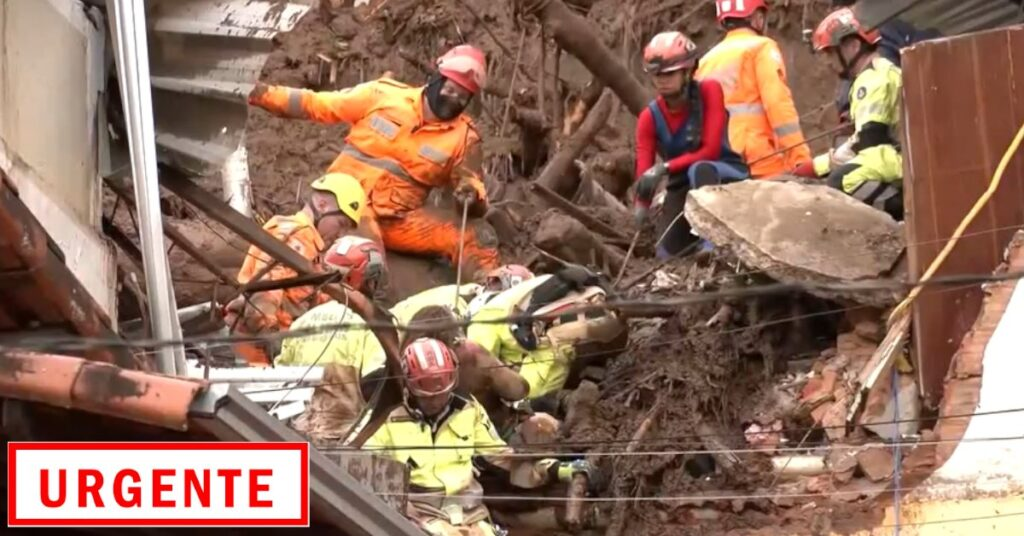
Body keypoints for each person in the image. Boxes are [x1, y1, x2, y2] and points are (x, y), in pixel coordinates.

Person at [247, 44, 500, 280]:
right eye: (451, 89)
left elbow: (470, 181)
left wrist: (470, 194)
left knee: (477, 235)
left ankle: (489, 299)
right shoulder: (383, 95)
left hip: (400, 221)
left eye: (463, 96)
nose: (453, 98)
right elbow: (316, 104)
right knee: (367, 255)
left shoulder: (464, 137)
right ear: (436, 78)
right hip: (346, 205)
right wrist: (258, 93)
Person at [364, 337, 598, 536]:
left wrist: (557, 469)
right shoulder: (387, 421)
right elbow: (368, 478)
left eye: (443, 392)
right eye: (427, 395)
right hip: (422, 522)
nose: (436, 400)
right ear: (410, 385)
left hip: (472, 518)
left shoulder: (468, 410)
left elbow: (502, 459)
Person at [223, 172, 367, 366]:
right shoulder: (297, 235)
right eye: (341, 224)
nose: (340, 234)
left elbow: (309, 301)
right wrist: (274, 344)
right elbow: (264, 296)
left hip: (261, 345)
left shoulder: (310, 245)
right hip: (253, 349)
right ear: (322, 205)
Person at [634, 31, 750, 258]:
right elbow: (644, 174)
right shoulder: (649, 117)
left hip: (724, 174)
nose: (662, 80)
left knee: (701, 168)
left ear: (688, 70)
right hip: (682, 188)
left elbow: (710, 150)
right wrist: (640, 213)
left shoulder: (710, 91)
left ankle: (711, 245)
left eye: (669, 73)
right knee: (665, 255)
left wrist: (664, 168)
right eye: (657, 75)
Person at [276, 235, 388, 445]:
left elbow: (278, 380)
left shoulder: (302, 322)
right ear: (366, 279)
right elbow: (375, 385)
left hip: (294, 434)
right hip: (343, 439)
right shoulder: (372, 326)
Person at [795, 7, 904, 220]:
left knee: (843, 180)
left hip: (897, 157)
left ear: (853, 46)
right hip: (894, 154)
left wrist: (817, 166)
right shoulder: (877, 72)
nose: (827, 60)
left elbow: (869, 139)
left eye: (830, 52)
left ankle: (900, 212)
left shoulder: (872, 79)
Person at [467, 265, 626, 410]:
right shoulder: (528, 288)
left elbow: (483, 369)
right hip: (608, 319)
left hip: (560, 332)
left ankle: (568, 401)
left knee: (524, 398)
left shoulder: (482, 320)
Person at [695, 0, 811, 179]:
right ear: (757, 18)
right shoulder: (761, 48)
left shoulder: (706, 61)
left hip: (720, 161)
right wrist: (800, 158)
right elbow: (777, 104)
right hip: (759, 159)